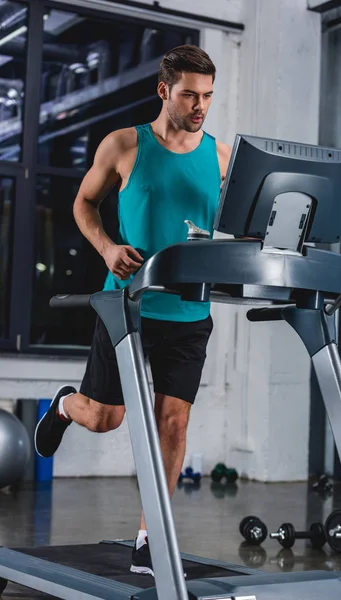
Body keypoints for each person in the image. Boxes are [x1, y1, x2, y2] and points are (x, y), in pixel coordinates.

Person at [34, 44, 231, 576]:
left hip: (190, 311)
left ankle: (150, 539)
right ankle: (62, 405)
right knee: (105, 418)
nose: (200, 105)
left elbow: (236, 226)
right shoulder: (125, 145)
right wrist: (107, 248)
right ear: (164, 90)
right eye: (190, 94)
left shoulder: (221, 156)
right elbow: (83, 203)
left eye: (208, 96)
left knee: (173, 424)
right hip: (129, 306)